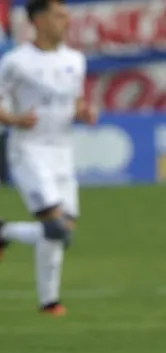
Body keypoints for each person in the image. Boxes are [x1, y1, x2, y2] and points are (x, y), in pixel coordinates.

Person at [0, 0, 98, 316]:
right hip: (29, 150)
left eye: (67, 16)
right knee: (56, 228)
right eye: (59, 16)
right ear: (39, 21)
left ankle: (48, 302)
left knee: (63, 229)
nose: (66, 21)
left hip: (62, 152)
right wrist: (15, 119)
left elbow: (76, 102)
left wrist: (84, 113)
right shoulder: (16, 62)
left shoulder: (75, 60)